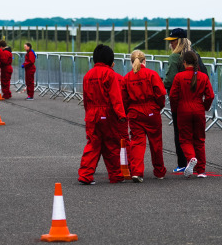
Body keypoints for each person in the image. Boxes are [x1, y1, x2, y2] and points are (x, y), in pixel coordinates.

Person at [78, 44, 126, 185]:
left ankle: (85, 175)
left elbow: (85, 99)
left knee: (93, 144)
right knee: (111, 145)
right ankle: (116, 175)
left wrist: (88, 114)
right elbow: (115, 97)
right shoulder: (110, 74)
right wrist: (121, 115)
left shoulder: (88, 75)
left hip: (92, 113)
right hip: (107, 113)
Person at [163, 28, 207, 172]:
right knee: (198, 136)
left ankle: (183, 163)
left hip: (181, 103)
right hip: (197, 102)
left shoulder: (175, 57)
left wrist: (161, 84)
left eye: (173, 41)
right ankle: (199, 165)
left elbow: (169, 80)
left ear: (179, 42)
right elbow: (205, 74)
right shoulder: (196, 55)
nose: (171, 44)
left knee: (181, 134)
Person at [122, 50, 167, 182]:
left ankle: (136, 172)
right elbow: (160, 93)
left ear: (131, 62)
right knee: (156, 142)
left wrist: (127, 111)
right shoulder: (152, 74)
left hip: (135, 112)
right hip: (151, 111)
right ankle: (159, 171)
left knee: (137, 142)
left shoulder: (127, 78)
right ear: (144, 61)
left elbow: (124, 99)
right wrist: (158, 107)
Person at [169, 51, 215, 178]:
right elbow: (210, 95)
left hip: (183, 110)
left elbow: (173, 96)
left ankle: (191, 158)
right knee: (199, 140)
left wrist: (175, 109)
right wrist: (204, 107)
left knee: (184, 139)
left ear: (184, 63)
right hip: (198, 109)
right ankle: (201, 171)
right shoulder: (203, 77)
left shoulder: (179, 77)